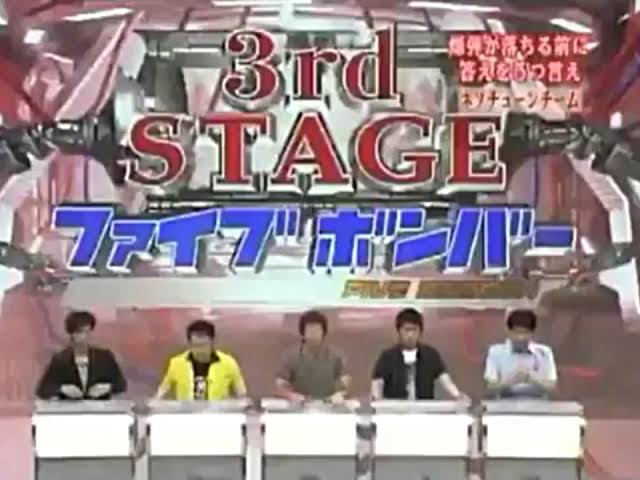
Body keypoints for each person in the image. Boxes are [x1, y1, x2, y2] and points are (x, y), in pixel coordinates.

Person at [371, 308, 467, 401]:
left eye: (414, 330)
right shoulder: (387, 356)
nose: (410, 335)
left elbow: (444, 378)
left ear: (420, 331)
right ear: (399, 331)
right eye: (407, 330)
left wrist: (457, 395)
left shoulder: (430, 355)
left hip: (424, 408)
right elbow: (378, 382)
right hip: (395, 408)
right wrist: (376, 399)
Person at [36, 311, 127, 400]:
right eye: (81, 332)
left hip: (100, 408)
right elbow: (43, 390)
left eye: (88, 332)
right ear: (72, 334)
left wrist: (107, 387)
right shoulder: (60, 359)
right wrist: (62, 389)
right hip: (70, 408)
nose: (85, 336)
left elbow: (121, 385)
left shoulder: (105, 357)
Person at [155, 320, 247, 400]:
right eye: (196, 346)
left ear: (212, 342)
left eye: (204, 345)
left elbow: (241, 392)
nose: (200, 351)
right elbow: (162, 392)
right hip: (186, 412)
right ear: (189, 344)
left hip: (217, 413)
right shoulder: (176, 363)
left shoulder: (228, 363)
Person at [276, 310, 350, 404]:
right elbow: (280, 385)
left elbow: (346, 382)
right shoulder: (290, 356)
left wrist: (340, 394)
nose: (313, 333)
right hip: (300, 406)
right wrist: (290, 395)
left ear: (323, 332)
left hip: (329, 406)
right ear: (303, 333)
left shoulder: (336, 356)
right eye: (310, 330)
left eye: (317, 330)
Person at [484, 309, 558, 399]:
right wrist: (513, 380)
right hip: (505, 402)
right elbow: (490, 388)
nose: (521, 337)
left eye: (525, 333)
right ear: (508, 331)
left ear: (533, 332)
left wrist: (531, 379)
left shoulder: (544, 352)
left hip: (538, 403)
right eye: (516, 332)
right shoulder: (496, 352)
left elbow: (552, 388)